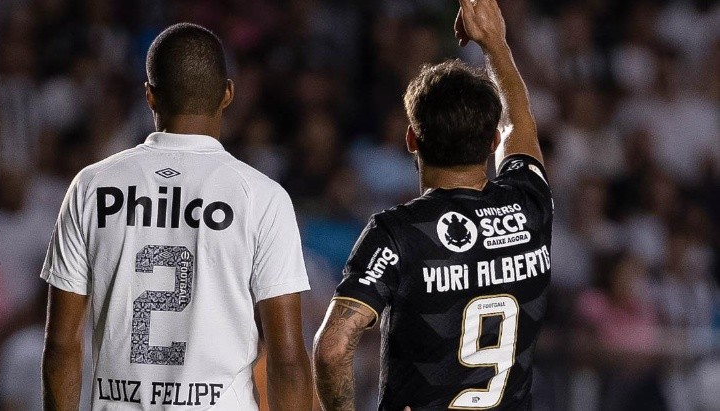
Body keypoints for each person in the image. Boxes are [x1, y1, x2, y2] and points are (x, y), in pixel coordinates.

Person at [41, 23, 312, 410]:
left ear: (150, 96)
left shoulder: (92, 186)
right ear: (228, 94)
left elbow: (62, 344)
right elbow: (287, 358)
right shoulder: (262, 197)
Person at [313, 0, 553, 409]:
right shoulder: (531, 206)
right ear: (492, 142)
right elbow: (519, 123)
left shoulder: (398, 233)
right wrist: (495, 44)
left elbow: (333, 348)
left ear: (412, 139)